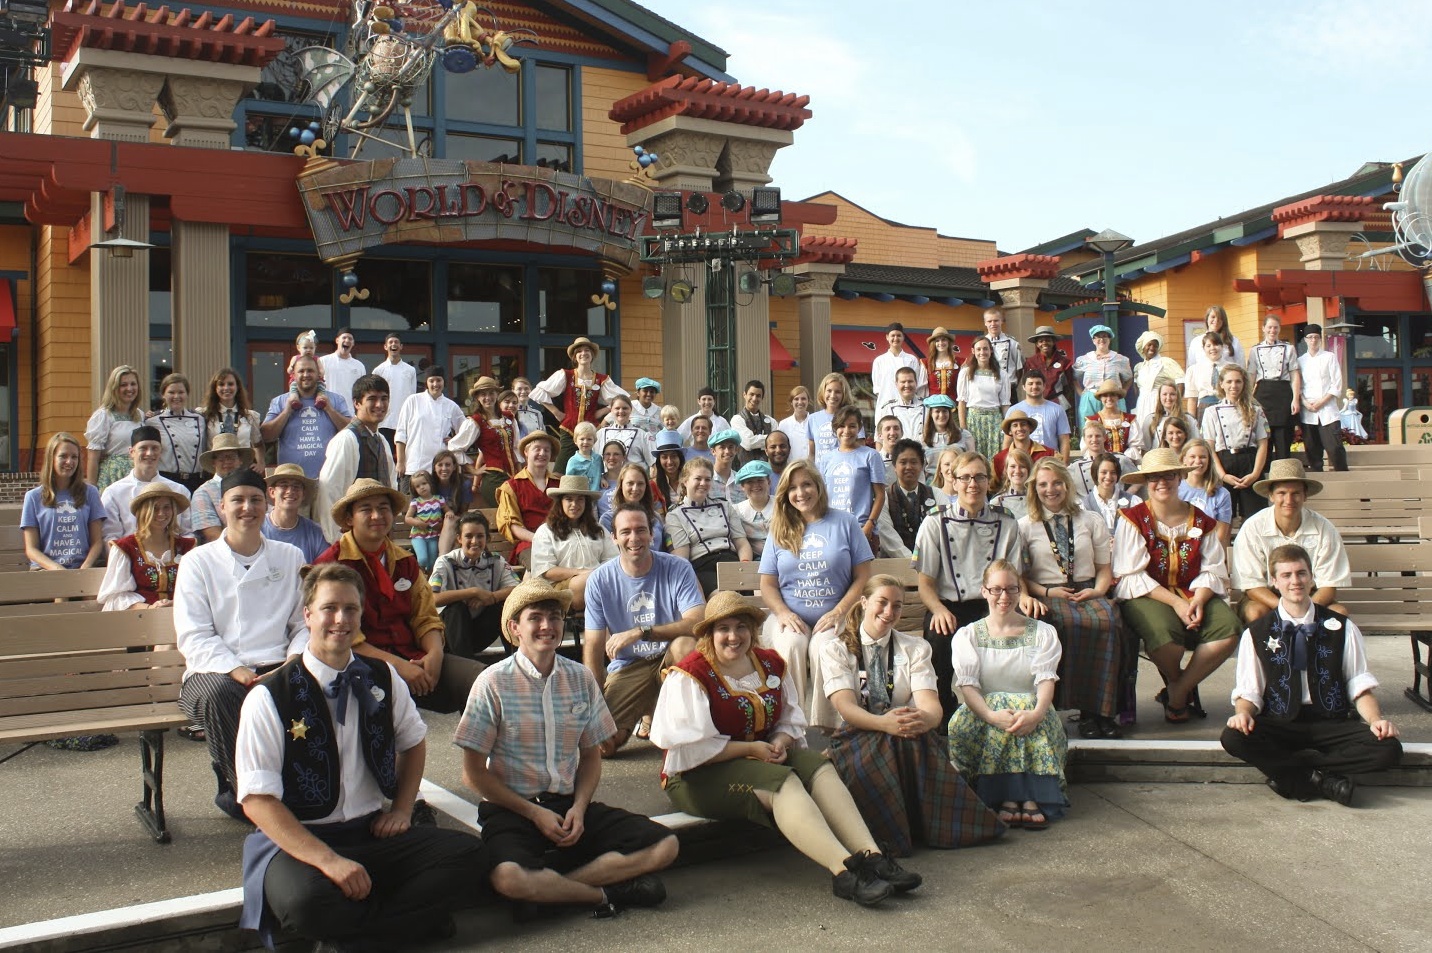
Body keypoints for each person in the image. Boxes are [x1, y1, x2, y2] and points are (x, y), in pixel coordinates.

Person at [235, 563, 488, 951]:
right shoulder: (268, 696)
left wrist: (402, 809)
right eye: (329, 608)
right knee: (306, 903)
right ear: (308, 615)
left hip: (370, 831)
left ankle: (355, 942)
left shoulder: (383, 676)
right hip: (300, 840)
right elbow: (257, 800)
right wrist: (328, 861)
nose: (341, 619)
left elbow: (413, 743)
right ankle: (408, 925)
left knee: (470, 856)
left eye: (351, 609)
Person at [649, 591, 920, 907]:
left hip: (758, 755)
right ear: (709, 633)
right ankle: (845, 871)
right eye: (723, 629)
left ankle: (871, 856)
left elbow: (790, 718)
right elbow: (689, 751)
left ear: (752, 629)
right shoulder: (690, 674)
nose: (734, 636)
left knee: (819, 767)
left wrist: (779, 741)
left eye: (741, 627)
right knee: (783, 782)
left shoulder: (769, 663)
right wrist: (753, 749)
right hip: (697, 775)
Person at [456, 577, 679, 919]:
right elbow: (472, 774)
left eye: (554, 617)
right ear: (515, 628)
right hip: (512, 808)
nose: (547, 626)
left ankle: (551, 892)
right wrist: (534, 813)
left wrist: (579, 806)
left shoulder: (580, 678)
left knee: (666, 845)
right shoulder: (492, 682)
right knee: (508, 877)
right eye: (535, 618)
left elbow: (590, 755)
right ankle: (601, 895)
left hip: (567, 804)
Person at [819, 575, 1004, 855]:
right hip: (857, 732)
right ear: (864, 602)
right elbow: (846, 708)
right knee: (896, 739)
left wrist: (920, 720)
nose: (889, 612)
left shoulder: (916, 648)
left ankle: (913, 829)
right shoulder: (836, 648)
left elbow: (932, 707)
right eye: (882, 602)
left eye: (897, 605)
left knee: (909, 734)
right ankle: (899, 832)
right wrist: (885, 723)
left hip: (901, 729)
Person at [174, 469, 309, 818]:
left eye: (255, 500)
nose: (247, 508)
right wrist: (236, 670)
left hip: (279, 665)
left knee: (316, 685)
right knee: (222, 694)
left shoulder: (290, 556)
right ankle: (249, 796)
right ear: (222, 507)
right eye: (237, 500)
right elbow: (194, 635)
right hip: (213, 671)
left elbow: (302, 624)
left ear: (267, 505)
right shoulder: (197, 562)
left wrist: (293, 661)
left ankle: (312, 785)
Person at [1221, 544, 1402, 806]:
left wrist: (1376, 720)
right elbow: (1249, 690)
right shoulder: (1257, 632)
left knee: (1389, 748)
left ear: (1312, 577)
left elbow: (1359, 683)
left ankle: (1294, 775)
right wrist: (1243, 714)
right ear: (1274, 581)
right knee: (1233, 737)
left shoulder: (1342, 627)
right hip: (1281, 723)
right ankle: (1324, 780)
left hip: (1330, 722)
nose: (1295, 581)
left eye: (1301, 573)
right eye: (1286, 575)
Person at [316, 479, 484, 714]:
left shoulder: (405, 561)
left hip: (413, 657)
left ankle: (476, 740)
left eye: (383, 508)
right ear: (349, 518)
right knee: (383, 710)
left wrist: (435, 655)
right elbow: (339, 635)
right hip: (358, 665)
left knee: (483, 681)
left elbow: (425, 616)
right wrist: (398, 667)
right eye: (366, 509)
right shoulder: (330, 565)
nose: (377, 515)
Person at [1112, 448, 1240, 723]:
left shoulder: (1202, 520)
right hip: (1147, 593)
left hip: (1195, 590)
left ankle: (1177, 691)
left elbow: (1213, 568)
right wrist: (1178, 603)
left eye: (1168, 475)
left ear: (1180, 478)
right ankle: (1179, 685)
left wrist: (1199, 599)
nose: (1161, 482)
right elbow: (1130, 575)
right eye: (1154, 477)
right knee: (1165, 637)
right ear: (1146, 482)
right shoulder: (1133, 518)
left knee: (1228, 629)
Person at [949, 560, 1070, 829]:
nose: (1004, 596)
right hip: (983, 714)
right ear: (984, 591)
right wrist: (991, 716)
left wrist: (1036, 714)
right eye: (996, 589)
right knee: (1000, 702)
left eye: (1011, 589)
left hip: (1032, 713)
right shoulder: (968, 636)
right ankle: (1017, 795)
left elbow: (1045, 680)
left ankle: (1020, 796)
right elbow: (968, 687)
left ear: (1019, 591)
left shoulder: (1043, 632)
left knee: (1024, 704)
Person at [582, 504, 704, 754]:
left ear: (651, 534)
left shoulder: (678, 567)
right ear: (614, 537)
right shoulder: (599, 580)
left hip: (670, 656)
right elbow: (593, 646)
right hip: (630, 665)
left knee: (686, 645)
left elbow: (697, 622)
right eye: (625, 532)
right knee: (604, 746)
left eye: (640, 530)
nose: (634, 538)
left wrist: (642, 631)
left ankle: (690, 725)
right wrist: (595, 705)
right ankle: (651, 707)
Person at [915, 450, 1027, 721]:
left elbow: (1014, 578)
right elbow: (925, 584)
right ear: (953, 481)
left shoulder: (1007, 522)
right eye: (965, 477)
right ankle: (943, 709)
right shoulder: (934, 522)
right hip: (949, 606)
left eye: (979, 477)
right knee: (938, 642)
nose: (972, 484)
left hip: (994, 605)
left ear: (989, 482)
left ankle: (1006, 707)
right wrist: (938, 610)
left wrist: (1013, 603)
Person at [759, 461, 875, 723]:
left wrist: (839, 611)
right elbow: (768, 583)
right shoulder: (779, 528)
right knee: (791, 645)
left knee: (825, 648)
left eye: (806, 484)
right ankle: (790, 723)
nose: (800, 493)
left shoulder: (845, 522)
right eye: (793, 488)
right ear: (785, 494)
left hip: (837, 614)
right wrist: (782, 613)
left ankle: (828, 726)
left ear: (819, 486)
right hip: (791, 617)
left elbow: (863, 576)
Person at [1019, 459, 1126, 739]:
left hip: (1087, 589)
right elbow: (1020, 576)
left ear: (1067, 485)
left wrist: (1098, 591)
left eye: (1057, 483)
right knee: (1059, 625)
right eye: (1043, 484)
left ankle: (1099, 713)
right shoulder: (1025, 526)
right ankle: (1055, 709)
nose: (1050, 489)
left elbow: (1104, 568)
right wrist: (1046, 592)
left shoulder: (1090, 520)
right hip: (1047, 592)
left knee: (1108, 623)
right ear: (1034, 488)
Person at [1231, 458, 1351, 625]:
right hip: (1267, 597)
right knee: (1255, 612)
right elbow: (1252, 586)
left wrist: (1306, 610)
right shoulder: (1252, 528)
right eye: (1282, 493)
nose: (1289, 500)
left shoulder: (1325, 528)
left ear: (1305, 496)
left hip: (1310, 596)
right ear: (1271, 495)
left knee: (1339, 613)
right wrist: (1286, 610)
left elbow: (1328, 586)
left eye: (1296, 493)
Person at [314, 374, 395, 542]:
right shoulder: (346, 439)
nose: (379, 404)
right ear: (357, 403)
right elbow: (329, 490)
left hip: (377, 536)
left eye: (384, 398)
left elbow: (391, 486)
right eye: (372, 399)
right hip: (350, 539)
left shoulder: (382, 441)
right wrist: (336, 539)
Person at [430, 511, 519, 660]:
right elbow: (433, 598)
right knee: (457, 608)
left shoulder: (496, 561)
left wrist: (491, 597)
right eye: (469, 536)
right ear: (459, 538)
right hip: (450, 635)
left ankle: (517, 660)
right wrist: (474, 592)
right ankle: (466, 665)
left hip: (479, 632)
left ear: (487, 538)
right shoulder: (445, 562)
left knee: (505, 606)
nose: (474, 541)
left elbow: (517, 588)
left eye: (480, 536)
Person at [532, 336, 629, 469]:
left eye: (587, 350)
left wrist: (603, 411)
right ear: (575, 357)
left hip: (592, 431)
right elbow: (540, 391)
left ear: (592, 354)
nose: (583, 353)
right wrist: (556, 412)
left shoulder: (601, 379)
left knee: (592, 466)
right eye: (579, 351)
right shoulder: (566, 375)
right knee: (561, 468)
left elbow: (622, 399)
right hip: (569, 429)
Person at [99, 481, 195, 611]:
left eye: (167, 507)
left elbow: (196, 589)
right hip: (139, 618)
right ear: (144, 511)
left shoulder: (187, 547)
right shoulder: (125, 547)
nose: (161, 513)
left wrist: (175, 603)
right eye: (155, 508)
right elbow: (117, 597)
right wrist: (150, 608)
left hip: (180, 614)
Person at [531, 475, 617, 612]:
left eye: (580, 499)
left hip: (597, 581)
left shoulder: (598, 530)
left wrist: (598, 574)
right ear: (560, 502)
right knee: (586, 581)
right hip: (560, 589)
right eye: (569, 499)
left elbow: (612, 559)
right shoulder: (546, 531)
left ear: (586, 503)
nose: (574, 504)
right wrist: (581, 572)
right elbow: (547, 571)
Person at [667, 457, 752, 596]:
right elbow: (681, 560)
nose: (703, 483)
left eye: (707, 479)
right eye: (698, 479)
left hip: (732, 562)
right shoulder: (675, 516)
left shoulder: (724, 506)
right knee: (726, 598)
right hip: (703, 567)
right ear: (685, 481)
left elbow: (741, 542)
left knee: (754, 596)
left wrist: (745, 566)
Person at [22, 432, 105, 571]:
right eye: (63, 456)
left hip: (83, 568)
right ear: (51, 458)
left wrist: (84, 568)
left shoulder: (90, 492)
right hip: (46, 570)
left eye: (74, 457)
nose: (69, 462)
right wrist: (57, 569)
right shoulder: (33, 497)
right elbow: (31, 549)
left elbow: (97, 542)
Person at [261, 355, 352, 479]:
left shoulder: (336, 400)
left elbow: (351, 431)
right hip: (292, 481)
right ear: (293, 375)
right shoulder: (280, 402)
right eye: (301, 371)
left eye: (310, 370)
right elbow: (266, 436)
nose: (306, 374)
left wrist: (329, 409)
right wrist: (286, 411)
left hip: (329, 479)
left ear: (318, 374)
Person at [101, 426, 193, 542]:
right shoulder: (114, 492)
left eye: (155, 448)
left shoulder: (179, 490)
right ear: (132, 452)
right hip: (129, 552)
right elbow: (110, 537)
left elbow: (187, 533)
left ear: (161, 452)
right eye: (143, 448)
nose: (149, 453)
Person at [1203, 363, 1269, 522]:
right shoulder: (1211, 412)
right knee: (1223, 519)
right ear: (1221, 384)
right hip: (1223, 463)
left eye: (1238, 381)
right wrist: (1223, 475)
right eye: (1229, 381)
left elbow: (1263, 443)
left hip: (1250, 462)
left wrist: (1255, 474)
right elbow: (1209, 447)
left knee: (1255, 517)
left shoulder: (1256, 410)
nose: (1234, 386)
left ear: (1244, 383)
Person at [817, 406, 886, 547]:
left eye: (852, 426)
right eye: (841, 426)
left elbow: (880, 495)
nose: (846, 431)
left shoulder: (871, 455)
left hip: (861, 529)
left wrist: (870, 524)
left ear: (859, 427)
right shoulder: (826, 459)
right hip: (833, 530)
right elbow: (821, 496)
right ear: (835, 428)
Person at [449, 375, 520, 507]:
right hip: (493, 478)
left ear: (497, 394)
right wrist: (473, 470)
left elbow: (516, 447)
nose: (488, 397)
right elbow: (454, 447)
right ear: (477, 397)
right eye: (483, 394)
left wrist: (520, 473)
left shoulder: (509, 418)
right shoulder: (475, 421)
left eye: (491, 393)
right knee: (507, 511)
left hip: (513, 476)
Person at [495, 430, 560, 565]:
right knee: (542, 565)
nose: (542, 453)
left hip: (560, 541)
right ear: (526, 452)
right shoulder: (511, 487)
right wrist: (540, 539)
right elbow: (512, 525)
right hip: (529, 543)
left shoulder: (560, 484)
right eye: (537, 449)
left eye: (546, 450)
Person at [394, 365, 464, 488]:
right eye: (431, 381)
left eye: (439, 380)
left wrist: (455, 441)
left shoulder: (451, 406)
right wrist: (400, 462)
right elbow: (401, 433)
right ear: (426, 382)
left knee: (437, 501)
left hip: (439, 470)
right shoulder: (413, 401)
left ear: (444, 382)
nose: (435, 384)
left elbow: (466, 430)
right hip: (413, 466)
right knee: (409, 500)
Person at [877, 439, 947, 559]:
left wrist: (929, 561)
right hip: (895, 564)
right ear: (894, 466)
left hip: (933, 561)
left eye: (914, 462)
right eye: (903, 462)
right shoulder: (884, 498)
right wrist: (914, 562)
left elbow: (944, 528)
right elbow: (889, 539)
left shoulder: (937, 494)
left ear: (922, 465)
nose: (909, 467)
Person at [1248, 313, 1301, 462]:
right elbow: (1251, 376)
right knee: (1264, 436)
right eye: (1270, 327)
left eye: (1276, 327)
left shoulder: (1289, 348)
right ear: (1263, 328)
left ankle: (1283, 471)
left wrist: (1295, 399)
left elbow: (1294, 374)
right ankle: (1264, 472)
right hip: (1263, 393)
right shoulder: (1255, 350)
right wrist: (1248, 399)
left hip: (1283, 393)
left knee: (1283, 437)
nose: (1272, 330)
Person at [86, 364, 146, 489]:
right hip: (113, 476)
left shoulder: (139, 415)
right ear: (114, 388)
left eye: (133, 384)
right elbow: (93, 458)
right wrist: (92, 489)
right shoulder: (103, 416)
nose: (129, 388)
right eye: (123, 385)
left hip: (137, 475)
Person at [1298, 324, 1348, 472]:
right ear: (1305, 340)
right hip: (1308, 411)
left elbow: (1336, 384)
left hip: (1327, 410)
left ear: (1320, 339)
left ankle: (1343, 476)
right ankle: (1318, 478)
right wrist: (1305, 403)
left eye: (1316, 337)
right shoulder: (1300, 361)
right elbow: (1298, 386)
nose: (1313, 340)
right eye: (1310, 337)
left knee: (1335, 448)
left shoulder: (1329, 357)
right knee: (1312, 450)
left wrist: (1321, 402)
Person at [190, 433, 257, 543]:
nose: (227, 462)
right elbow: (212, 535)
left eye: (231, 457)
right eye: (221, 458)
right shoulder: (202, 493)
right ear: (213, 462)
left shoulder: (252, 486)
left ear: (240, 460)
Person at [151, 372, 208, 492]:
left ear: (187, 394)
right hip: (167, 480)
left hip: (196, 481)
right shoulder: (152, 421)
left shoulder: (200, 419)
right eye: (171, 392)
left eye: (181, 392)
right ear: (163, 395)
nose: (176, 396)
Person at [260, 463, 328, 563]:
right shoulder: (257, 528)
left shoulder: (316, 534)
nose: (290, 491)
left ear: (303, 494)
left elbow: (324, 570)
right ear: (272, 492)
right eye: (284, 485)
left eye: (296, 486)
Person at [201, 368, 264, 469]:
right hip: (216, 470)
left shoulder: (250, 416)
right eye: (221, 384)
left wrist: (260, 463)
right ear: (215, 388)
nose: (226, 388)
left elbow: (258, 444)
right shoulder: (205, 415)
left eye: (230, 384)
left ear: (237, 387)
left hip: (242, 470)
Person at [956, 336, 1007, 460]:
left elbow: (1005, 404)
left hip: (995, 421)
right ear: (973, 351)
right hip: (974, 421)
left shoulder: (1002, 374)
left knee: (995, 458)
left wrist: (1006, 427)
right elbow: (962, 402)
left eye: (985, 349)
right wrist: (963, 429)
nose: (982, 352)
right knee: (974, 458)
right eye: (978, 349)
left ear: (991, 350)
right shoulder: (966, 373)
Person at [1006, 369, 1070, 461]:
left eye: (1038, 383)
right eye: (1030, 383)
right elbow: (1008, 440)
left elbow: (1064, 440)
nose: (1034, 386)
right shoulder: (1013, 410)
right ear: (1024, 387)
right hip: (1021, 462)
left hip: (1050, 462)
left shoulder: (1057, 410)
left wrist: (1064, 464)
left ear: (1044, 386)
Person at [601, 461, 667, 549]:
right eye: (630, 483)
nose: (635, 488)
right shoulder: (608, 519)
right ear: (621, 485)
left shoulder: (656, 517)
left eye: (640, 484)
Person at [1178, 439, 1233, 545]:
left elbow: (1221, 535)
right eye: (1192, 456)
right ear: (1184, 459)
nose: (1198, 461)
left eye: (1203, 457)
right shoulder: (1175, 490)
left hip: (1210, 549)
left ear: (1209, 461)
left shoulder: (1222, 494)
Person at [1073, 324, 1132, 420]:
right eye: (1098, 337)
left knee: (1116, 426)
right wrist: (1082, 394)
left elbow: (1129, 378)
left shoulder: (1120, 359)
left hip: (1113, 398)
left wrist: (1123, 391)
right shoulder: (1084, 359)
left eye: (1105, 336)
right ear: (1093, 340)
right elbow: (1074, 377)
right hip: (1091, 399)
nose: (1101, 339)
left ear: (1109, 339)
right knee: (1089, 426)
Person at [370, 332, 417, 451]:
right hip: (384, 423)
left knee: (405, 457)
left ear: (401, 346)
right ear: (385, 346)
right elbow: (374, 397)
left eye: (396, 342)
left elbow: (413, 397)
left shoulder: (410, 370)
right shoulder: (378, 371)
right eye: (390, 342)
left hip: (405, 423)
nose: (393, 344)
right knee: (385, 456)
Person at [1068, 419, 1134, 499]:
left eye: (1098, 436)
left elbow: (1139, 480)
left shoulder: (1121, 459)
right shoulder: (1075, 467)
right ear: (1084, 440)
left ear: (1104, 438)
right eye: (1090, 436)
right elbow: (1065, 488)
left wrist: (1127, 496)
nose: (1094, 440)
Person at [806, 372, 862, 466]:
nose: (832, 395)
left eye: (837, 392)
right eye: (829, 391)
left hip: (843, 469)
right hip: (819, 473)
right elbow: (812, 454)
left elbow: (860, 451)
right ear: (823, 392)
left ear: (844, 394)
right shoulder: (812, 419)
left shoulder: (852, 418)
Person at [871, 322, 928, 412]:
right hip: (885, 406)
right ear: (887, 337)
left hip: (908, 407)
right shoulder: (879, 361)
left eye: (898, 335)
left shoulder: (912, 359)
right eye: (892, 335)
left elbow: (916, 385)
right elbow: (877, 388)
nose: (895, 338)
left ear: (903, 337)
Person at [1130, 331, 1184, 423]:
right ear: (1143, 347)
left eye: (1155, 346)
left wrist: (1175, 403)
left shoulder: (1166, 363)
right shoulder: (1139, 367)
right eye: (1149, 345)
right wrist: (1143, 398)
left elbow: (1180, 382)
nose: (1152, 348)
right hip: (1142, 405)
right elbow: (1136, 386)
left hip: (1160, 402)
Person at [1083, 451, 1140, 535]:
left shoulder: (1133, 502)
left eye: (1113, 472)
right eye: (1104, 472)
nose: (1108, 477)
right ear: (1096, 473)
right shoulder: (1084, 505)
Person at [1136, 382, 1200, 456]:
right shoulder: (1150, 419)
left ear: (1177, 396)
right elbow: (1145, 448)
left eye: (1172, 394)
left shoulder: (1189, 419)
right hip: (1158, 459)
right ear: (1159, 397)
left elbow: (1196, 444)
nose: (1168, 398)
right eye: (1165, 394)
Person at [1023, 326, 1076, 415]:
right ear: (1037, 344)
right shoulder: (1030, 362)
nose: (1044, 343)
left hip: (1059, 404)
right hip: (1035, 403)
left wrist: (1071, 407)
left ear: (1054, 342)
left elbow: (1069, 387)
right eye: (1041, 341)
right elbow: (1027, 385)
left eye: (1048, 340)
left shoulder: (1064, 362)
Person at [992, 408, 1054, 482]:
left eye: (1023, 424)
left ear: (1030, 428)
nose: (1020, 428)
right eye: (1015, 425)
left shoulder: (1050, 455)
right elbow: (993, 486)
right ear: (1010, 431)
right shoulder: (999, 459)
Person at [403, 470, 447, 573]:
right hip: (418, 535)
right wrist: (417, 523)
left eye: (424, 483)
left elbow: (447, 510)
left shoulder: (439, 499)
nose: (422, 487)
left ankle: (430, 579)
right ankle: (420, 575)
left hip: (433, 535)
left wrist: (449, 513)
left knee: (432, 561)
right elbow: (407, 518)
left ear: (430, 483)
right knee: (422, 559)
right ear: (415, 489)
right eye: (418, 486)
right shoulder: (416, 502)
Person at [595, 394, 653, 470]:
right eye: (617, 408)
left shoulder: (643, 434)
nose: (621, 411)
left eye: (625, 408)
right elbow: (594, 460)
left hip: (634, 476)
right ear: (611, 410)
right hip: (606, 477)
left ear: (631, 410)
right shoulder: (600, 434)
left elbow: (653, 463)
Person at [732, 460, 774, 556]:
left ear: (768, 482)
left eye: (760, 480)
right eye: (749, 481)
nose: (756, 485)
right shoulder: (736, 511)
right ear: (742, 486)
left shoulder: (782, 506)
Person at [1184, 331, 1232, 416]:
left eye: (1216, 344)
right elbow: (1192, 399)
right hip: (1204, 408)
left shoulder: (1232, 368)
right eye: (1208, 346)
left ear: (1222, 346)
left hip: (1227, 407)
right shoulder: (1194, 370)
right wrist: (1192, 420)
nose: (1212, 348)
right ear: (1203, 348)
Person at [1086, 380, 1138, 456]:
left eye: (1112, 395)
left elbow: (1136, 445)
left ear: (1118, 397)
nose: (1109, 398)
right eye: (1105, 395)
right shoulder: (1092, 421)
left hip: (1126, 461)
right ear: (1100, 398)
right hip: (1100, 461)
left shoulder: (1130, 419)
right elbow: (1088, 447)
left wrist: (1123, 459)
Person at [731, 379, 778, 462]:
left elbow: (777, 441)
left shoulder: (771, 421)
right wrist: (770, 439)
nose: (754, 398)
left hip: (767, 468)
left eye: (758, 396)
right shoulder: (737, 419)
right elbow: (748, 443)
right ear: (744, 395)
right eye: (751, 394)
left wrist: (756, 440)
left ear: (762, 398)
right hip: (746, 468)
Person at [983, 307, 1024, 402]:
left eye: (996, 320)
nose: (993, 324)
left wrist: (1012, 385)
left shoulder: (1013, 343)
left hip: (1009, 389)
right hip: (988, 390)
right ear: (985, 323)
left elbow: (1019, 368)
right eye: (989, 321)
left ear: (1001, 321)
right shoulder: (981, 343)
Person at [318, 328, 367, 406]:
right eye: (344, 337)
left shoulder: (359, 366)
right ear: (337, 340)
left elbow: (363, 391)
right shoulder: (323, 361)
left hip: (350, 410)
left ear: (353, 343)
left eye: (350, 339)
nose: (347, 340)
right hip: (327, 408)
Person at [1189, 305, 1246, 369]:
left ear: (1224, 321)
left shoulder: (1233, 341)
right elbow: (1191, 366)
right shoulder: (1196, 342)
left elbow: (1241, 366)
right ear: (1207, 319)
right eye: (1213, 317)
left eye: (1219, 318)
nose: (1216, 320)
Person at [879, 366, 925, 441]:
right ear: (896, 384)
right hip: (897, 448)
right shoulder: (887, 408)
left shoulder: (927, 406)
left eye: (910, 381)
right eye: (903, 382)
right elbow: (879, 438)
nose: (907, 385)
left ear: (916, 383)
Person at [989, 448, 1031, 520]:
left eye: (1022, 466)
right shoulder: (996, 502)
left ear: (1029, 470)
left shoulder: (1037, 499)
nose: (1017, 471)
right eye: (1013, 466)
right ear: (1006, 470)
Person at [707, 428, 746, 504]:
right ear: (713, 451)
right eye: (722, 447)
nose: (727, 451)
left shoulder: (741, 480)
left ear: (736, 450)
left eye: (731, 447)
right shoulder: (706, 480)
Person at [650, 430, 685, 513]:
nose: (669, 462)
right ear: (659, 460)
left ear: (680, 458)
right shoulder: (653, 485)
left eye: (673, 456)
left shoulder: (690, 480)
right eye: (664, 457)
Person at [922, 326, 960, 399]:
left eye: (943, 340)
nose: (941, 343)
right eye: (937, 341)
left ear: (948, 342)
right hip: (933, 404)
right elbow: (922, 388)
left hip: (953, 404)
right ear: (933, 343)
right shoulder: (926, 363)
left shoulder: (959, 362)